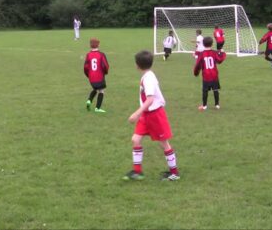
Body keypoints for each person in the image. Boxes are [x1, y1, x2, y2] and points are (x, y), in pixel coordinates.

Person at [123, 50, 180, 181]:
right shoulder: (147, 75)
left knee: (164, 143)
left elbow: (150, 100)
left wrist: (136, 113)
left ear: (137, 65)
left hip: (155, 115)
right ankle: (137, 172)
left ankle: (175, 173)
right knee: (135, 139)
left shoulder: (149, 78)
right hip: (146, 115)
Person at [194, 37, 226, 111]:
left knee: (205, 91)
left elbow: (197, 64)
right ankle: (217, 105)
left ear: (203, 44)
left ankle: (204, 106)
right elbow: (219, 60)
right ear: (212, 44)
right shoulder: (214, 53)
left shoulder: (201, 54)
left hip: (206, 76)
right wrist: (223, 53)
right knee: (215, 90)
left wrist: (196, 72)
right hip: (214, 75)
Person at [84, 38, 109, 113]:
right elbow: (105, 66)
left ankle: (89, 100)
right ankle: (97, 108)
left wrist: (88, 75)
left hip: (91, 77)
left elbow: (85, 67)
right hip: (99, 76)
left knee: (95, 88)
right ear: (98, 45)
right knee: (101, 90)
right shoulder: (101, 54)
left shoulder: (88, 55)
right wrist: (105, 72)